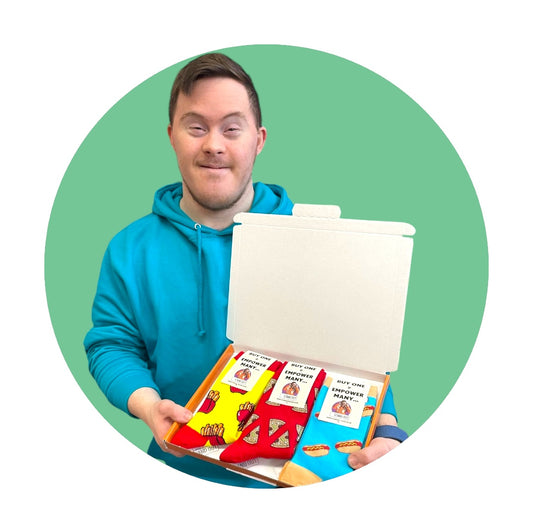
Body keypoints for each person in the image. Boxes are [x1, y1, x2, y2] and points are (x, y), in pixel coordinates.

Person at [84, 52, 407, 488]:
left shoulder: (317, 239)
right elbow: (112, 344)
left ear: (259, 139)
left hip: (302, 477)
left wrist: (385, 427)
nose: (214, 144)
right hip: (175, 475)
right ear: (171, 136)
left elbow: (357, 353)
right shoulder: (129, 249)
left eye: (231, 128)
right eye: (196, 127)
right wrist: (146, 404)